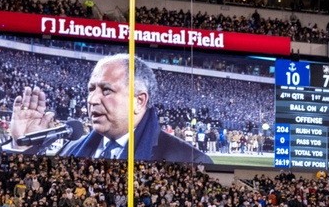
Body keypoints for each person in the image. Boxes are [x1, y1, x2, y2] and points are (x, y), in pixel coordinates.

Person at [11, 54, 212, 163]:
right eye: (91, 89)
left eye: (106, 90)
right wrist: (24, 148)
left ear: (139, 101)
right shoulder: (70, 149)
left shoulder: (188, 160)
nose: (93, 99)